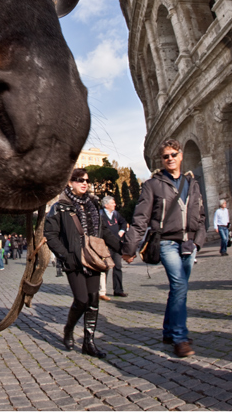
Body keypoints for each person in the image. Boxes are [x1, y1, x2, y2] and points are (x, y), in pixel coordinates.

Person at [122, 140, 206, 358]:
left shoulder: (192, 183)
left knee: (180, 288)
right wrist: (130, 248)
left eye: (173, 154)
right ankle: (180, 337)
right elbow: (140, 218)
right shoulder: (152, 185)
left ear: (180, 156)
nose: (169, 158)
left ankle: (169, 331)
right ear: (161, 160)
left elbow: (200, 212)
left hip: (189, 242)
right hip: (167, 242)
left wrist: (199, 240)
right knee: (179, 285)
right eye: (165, 156)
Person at [45, 168, 120, 358]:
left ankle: (89, 342)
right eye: (79, 180)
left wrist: (124, 248)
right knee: (82, 300)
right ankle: (68, 329)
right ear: (70, 183)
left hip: (93, 257)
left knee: (93, 300)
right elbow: (50, 234)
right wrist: (66, 256)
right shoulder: (59, 206)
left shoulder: (93, 204)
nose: (84, 183)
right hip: (74, 261)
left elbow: (104, 231)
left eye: (86, 180)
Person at [99, 195, 128, 298]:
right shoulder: (100, 215)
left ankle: (118, 289)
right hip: (106, 246)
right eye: (112, 203)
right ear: (106, 205)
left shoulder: (116, 214)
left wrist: (122, 230)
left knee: (118, 267)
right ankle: (102, 291)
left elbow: (123, 222)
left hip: (116, 245)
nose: (115, 204)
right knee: (105, 267)